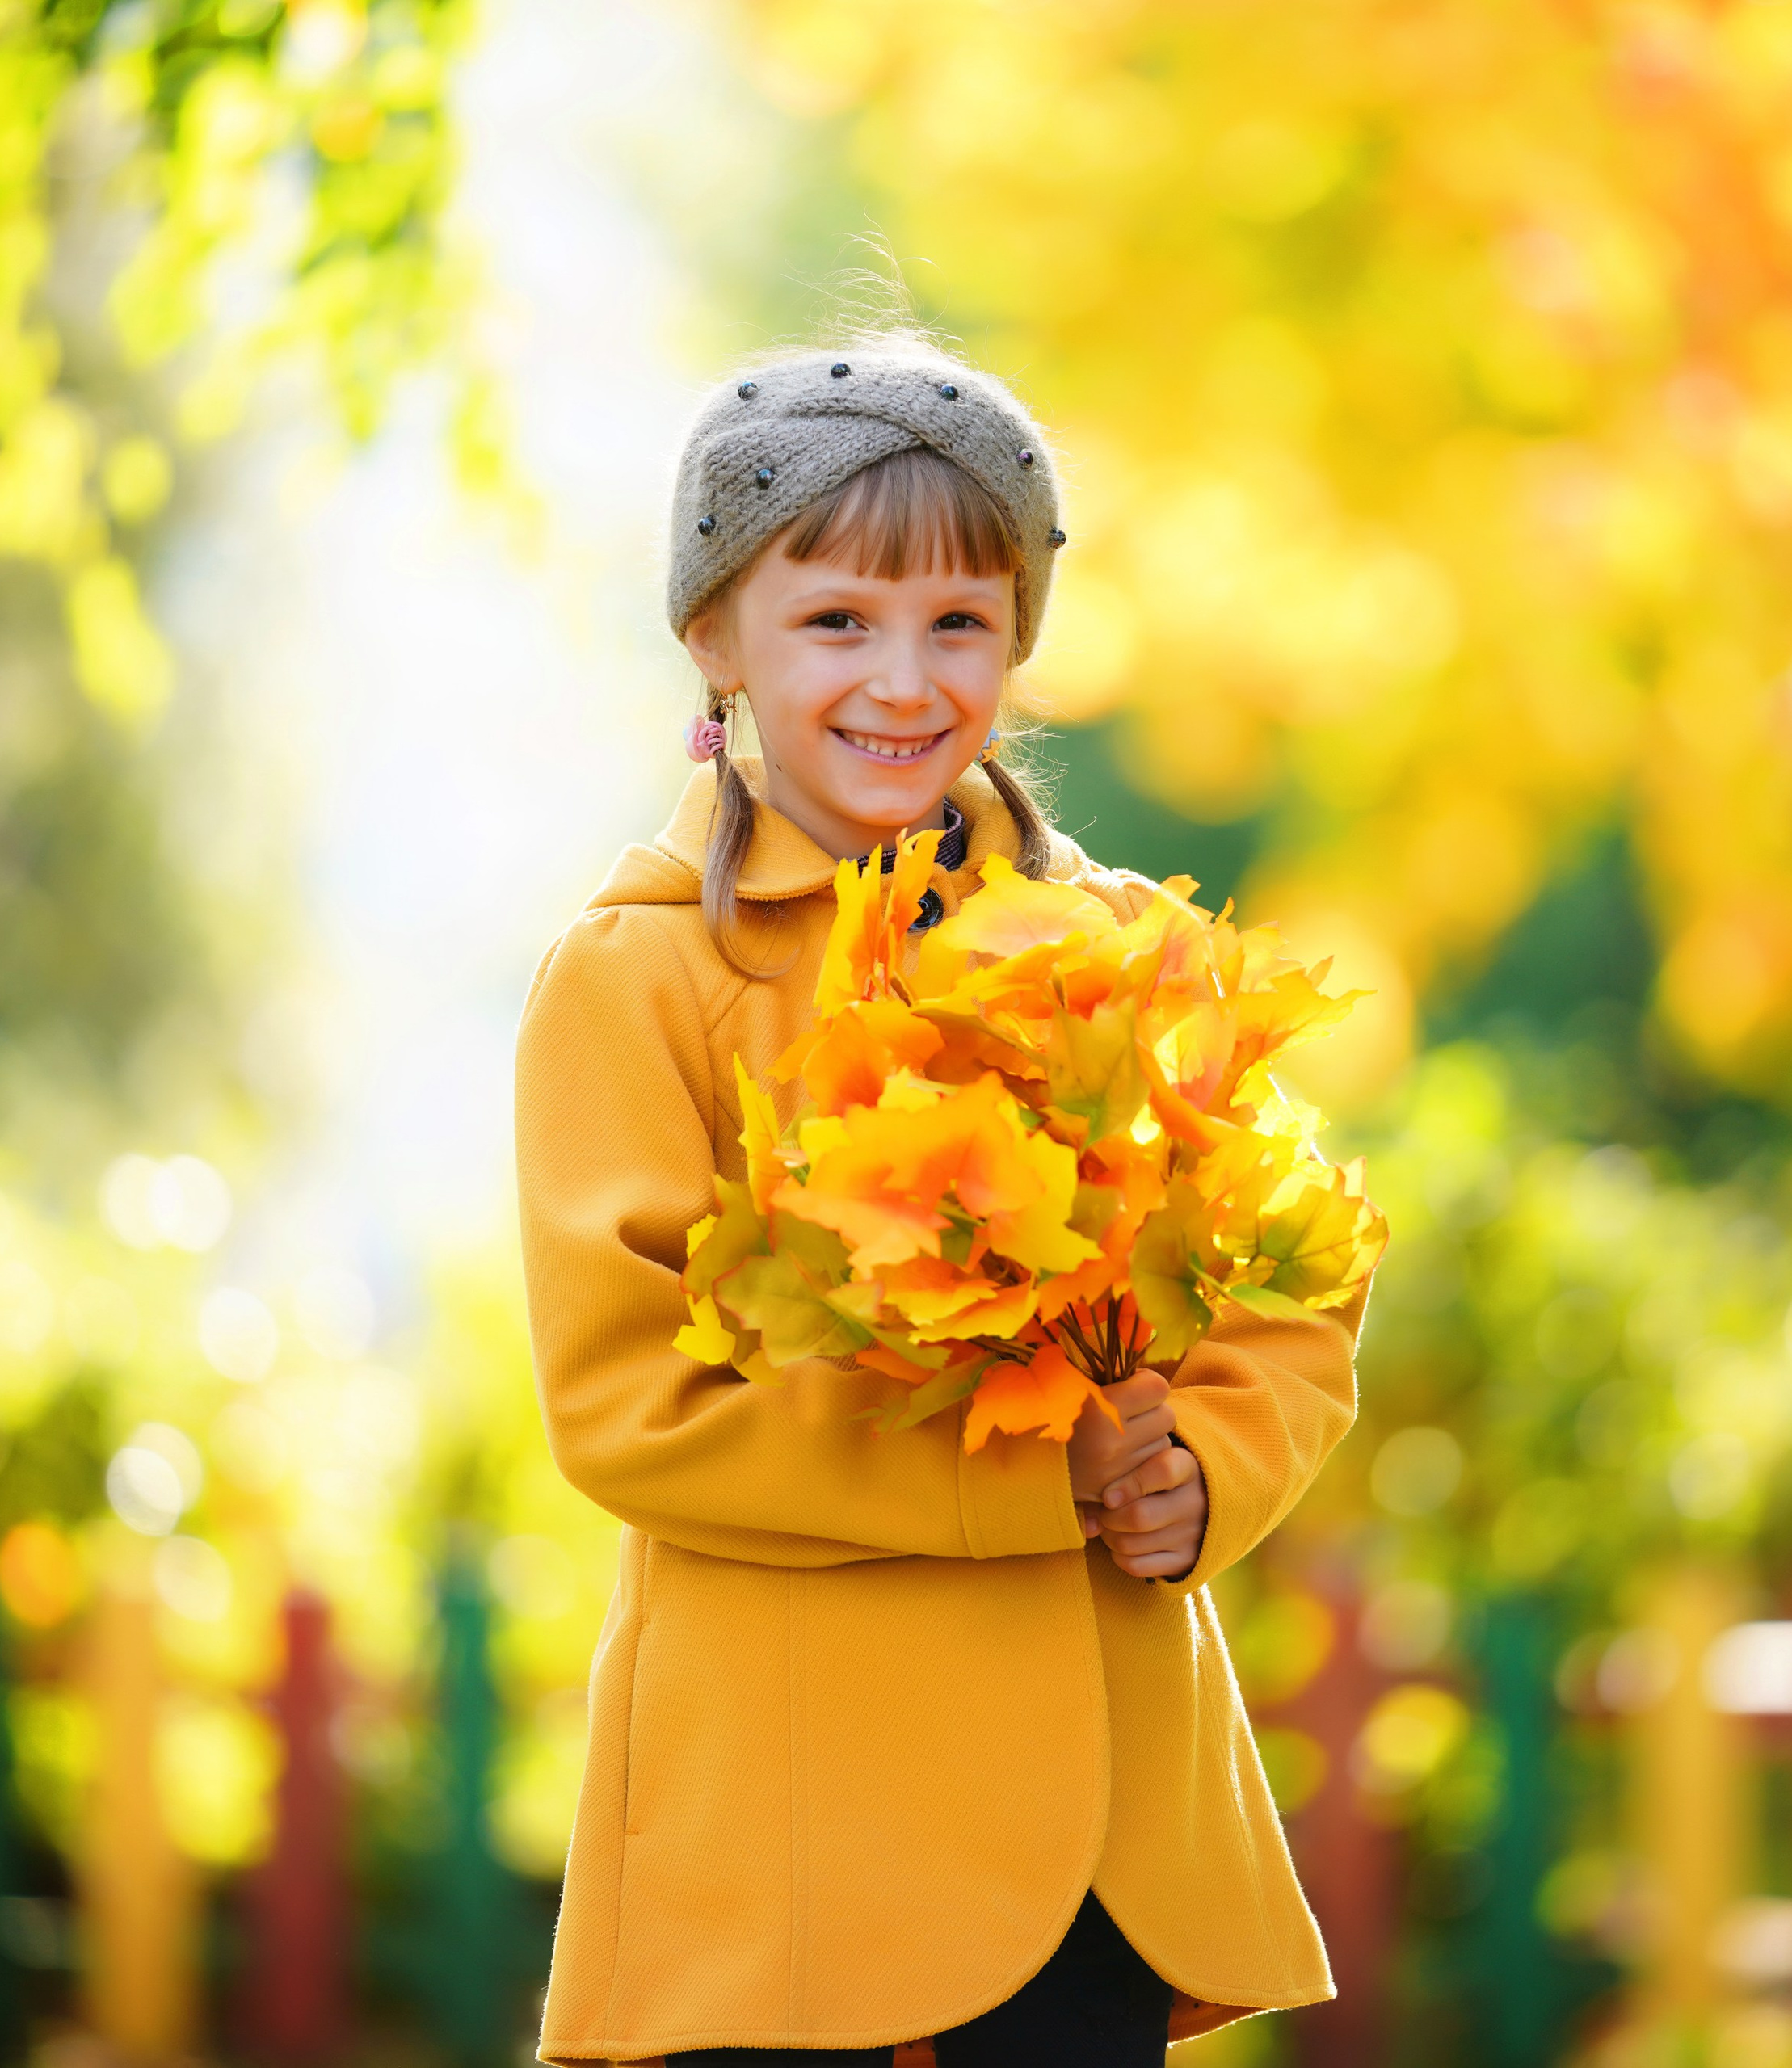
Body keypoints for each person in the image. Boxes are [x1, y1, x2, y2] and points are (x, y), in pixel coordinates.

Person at [514, 336, 1362, 2067]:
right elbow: (630, 1405)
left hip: (1092, 1854)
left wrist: (1205, 1468)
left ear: (1018, 642)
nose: (903, 681)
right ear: (714, 640)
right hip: (788, 1844)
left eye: (959, 623)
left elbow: (1287, 1277)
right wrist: (1020, 1481)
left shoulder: (1124, 950)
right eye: (835, 620)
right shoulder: (640, 976)